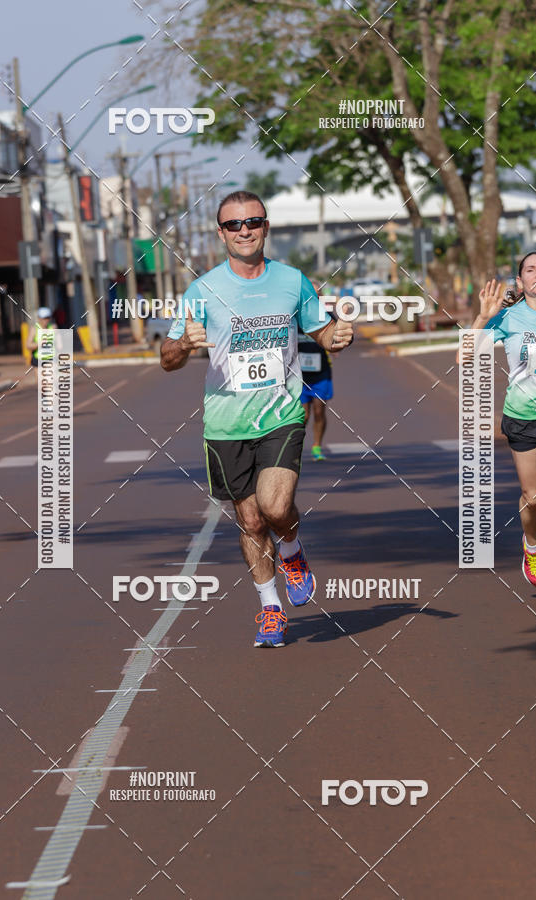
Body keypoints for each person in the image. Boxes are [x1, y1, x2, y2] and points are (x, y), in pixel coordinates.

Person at [161, 190, 354, 646]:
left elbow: (320, 330)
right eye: (234, 224)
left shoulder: (291, 281)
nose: (244, 230)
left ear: (266, 226)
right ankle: (270, 608)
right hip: (226, 424)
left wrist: (337, 335)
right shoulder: (202, 290)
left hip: (281, 415)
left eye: (253, 221)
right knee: (249, 522)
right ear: (221, 232)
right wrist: (185, 345)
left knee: (274, 507)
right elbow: (167, 358)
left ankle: (291, 548)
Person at [473, 251, 536, 605]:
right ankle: (531, 543)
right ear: (521, 282)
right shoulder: (508, 318)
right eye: (531, 269)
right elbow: (463, 355)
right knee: (534, 497)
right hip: (523, 417)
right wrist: (484, 316)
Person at [298, 310, 334, 460]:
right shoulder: (294, 316)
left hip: (321, 374)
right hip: (299, 376)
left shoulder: (326, 317)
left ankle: (317, 447)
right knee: (303, 415)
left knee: (319, 411)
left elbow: (337, 334)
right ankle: (295, 449)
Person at [26, 307, 54, 376]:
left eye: (47, 318)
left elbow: (60, 345)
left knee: (50, 383)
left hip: (51, 358)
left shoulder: (53, 327)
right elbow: (28, 345)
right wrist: (40, 344)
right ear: (39, 318)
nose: (46, 320)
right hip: (38, 359)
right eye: (44, 318)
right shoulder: (34, 329)